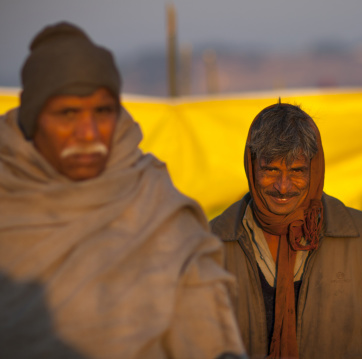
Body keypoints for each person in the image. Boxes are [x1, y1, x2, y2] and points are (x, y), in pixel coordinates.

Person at [0, 22, 245, 359]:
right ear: (32, 118)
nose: (88, 133)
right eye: (67, 113)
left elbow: (210, 340)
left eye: (102, 111)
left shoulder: (157, 205)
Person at [210, 102, 362, 359]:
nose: (283, 187)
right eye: (271, 169)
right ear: (252, 167)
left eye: (297, 171)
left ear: (314, 170)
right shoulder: (210, 244)